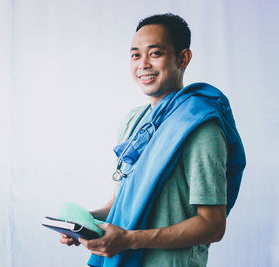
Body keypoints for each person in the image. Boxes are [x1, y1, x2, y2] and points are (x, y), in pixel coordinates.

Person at [60, 13, 245, 267]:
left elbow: (212, 224)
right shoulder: (133, 122)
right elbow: (123, 202)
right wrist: (86, 223)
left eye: (155, 53)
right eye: (135, 55)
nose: (143, 64)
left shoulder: (201, 128)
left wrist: (129, 239)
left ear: (183, 58)